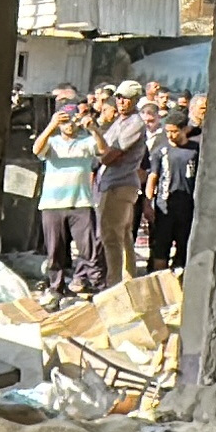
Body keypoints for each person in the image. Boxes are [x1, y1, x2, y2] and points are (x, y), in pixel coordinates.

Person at [32, 87, 101, 300]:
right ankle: (56, 288)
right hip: (53, 205)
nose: (69, 125)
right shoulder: (52, 142)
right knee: (55, 252)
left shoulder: (86, 141)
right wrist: (51, 126)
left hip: (81, 203)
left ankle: (92, 286)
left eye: (72, 120)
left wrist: (94, 130)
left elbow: (103, 151)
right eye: (64, 121)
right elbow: (37, 150)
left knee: (87, 249)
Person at [92, 79, 151, 285]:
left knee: (111, 236)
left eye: (125, 98)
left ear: (135, 100)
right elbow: (99, 151)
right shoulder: (119, 122)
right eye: (118, 97)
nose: (121, 101)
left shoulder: (135, 123)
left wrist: (99, 140)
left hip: (120, 183)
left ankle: (114, 285)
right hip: (113, 182)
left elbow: (108, 156)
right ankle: (127, 281)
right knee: (123, 235)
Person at [146, 109, 200, 270]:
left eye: (174, 131)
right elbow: (153, 177)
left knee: (184, 248)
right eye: (167, 131)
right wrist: (148, 202)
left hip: (187, 207)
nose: (170, 135)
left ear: (184, 129)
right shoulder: (160, 151)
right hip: (165, 206)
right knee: (160, 249)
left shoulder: (195, 150)